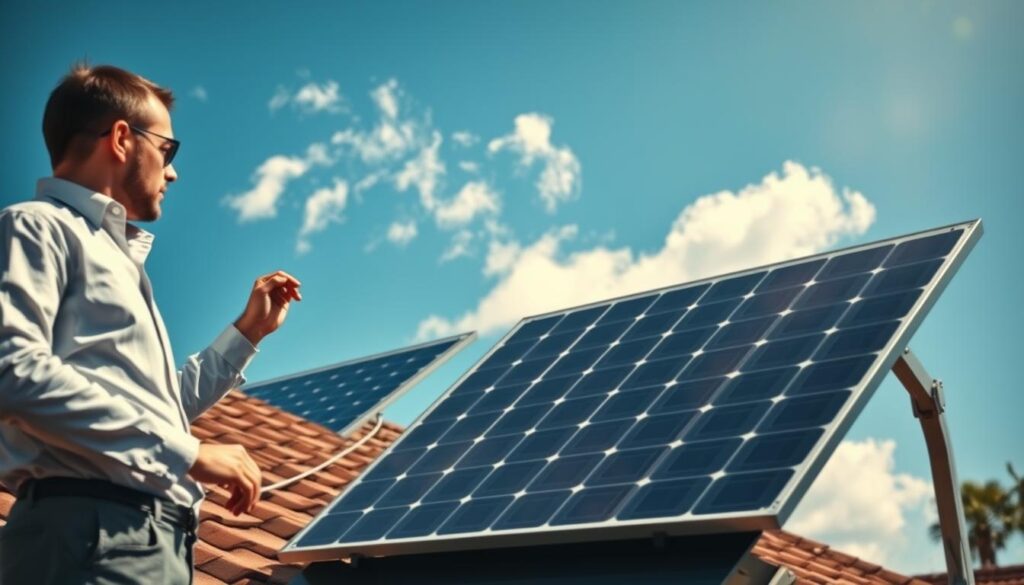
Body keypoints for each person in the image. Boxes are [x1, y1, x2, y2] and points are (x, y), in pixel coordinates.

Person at [0, 63, 301, 584]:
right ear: (121, 138)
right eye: (167, 150)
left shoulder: (117, 259)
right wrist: (189, 453)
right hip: (96, 536)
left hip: (141, 541)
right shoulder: (37, 226)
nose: (173, 171)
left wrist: (247, 333)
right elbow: (13, 371)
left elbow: (155, 410)